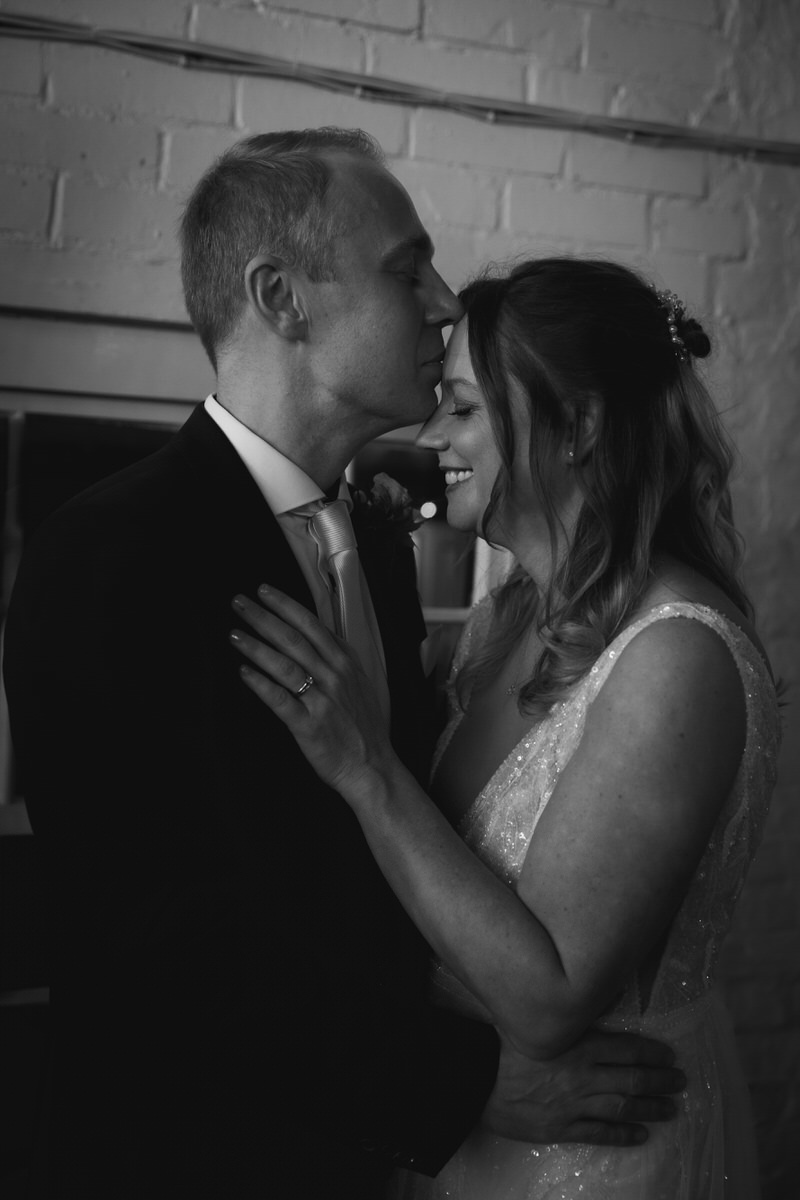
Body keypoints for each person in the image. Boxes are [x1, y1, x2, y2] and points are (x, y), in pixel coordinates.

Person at [3, 133, 682, 1198]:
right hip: (187, 1162)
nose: (444, 302)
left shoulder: (372, 539)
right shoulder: (108, 551)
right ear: (282, 299)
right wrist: (460, 1085)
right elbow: (145, 935)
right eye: (404, 267)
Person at [228, 257, 782, 1199]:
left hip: (593, 1156)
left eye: (466, 408)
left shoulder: (676, 656)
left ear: (583, 426)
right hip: (471, 1140)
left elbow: (550, 998)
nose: (435, 432)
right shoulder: (503, 621)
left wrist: (363, 766)